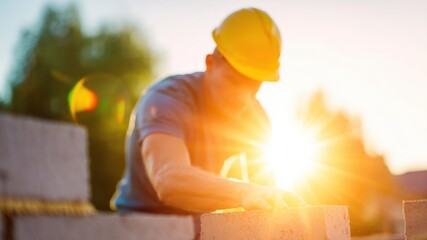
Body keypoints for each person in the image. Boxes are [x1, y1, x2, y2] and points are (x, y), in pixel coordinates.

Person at [111, 7, 305, 237]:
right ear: (210, 63)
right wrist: (244, 192)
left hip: (202, 226)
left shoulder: (255, 119)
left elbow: (265, 197)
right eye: (235, 81)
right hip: (142, 224)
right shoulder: (165, 99)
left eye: (253, 86)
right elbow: (168, 180)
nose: (243, 98)